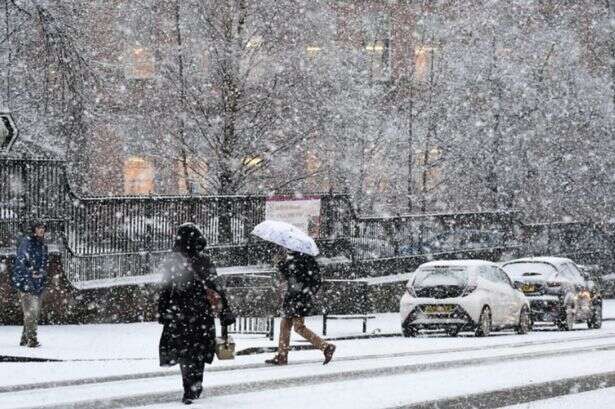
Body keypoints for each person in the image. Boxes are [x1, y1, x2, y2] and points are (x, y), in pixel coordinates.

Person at [157, 223, 235, 405]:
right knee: (198, 351)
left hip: (179, 313)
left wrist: (163, 311)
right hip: (201, 312)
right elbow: (216, 286)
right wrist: (225, 309)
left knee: (185, 352)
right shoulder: (205, 261)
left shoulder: (173, 262)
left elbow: (166, 289)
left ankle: (188, 387)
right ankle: (196, 385)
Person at [265, 249, 335, 366]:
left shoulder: (305, 260)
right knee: (285, 326)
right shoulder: (296, 259)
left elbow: (313, 280)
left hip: (299, 300)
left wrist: (304, 293)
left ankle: (326, 346)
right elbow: (290, 275)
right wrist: (280, 263)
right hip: (293, 298)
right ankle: (282, 356)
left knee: (298, 327)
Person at [11, 221, 48, 348]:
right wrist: (31, 271)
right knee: (31, 312)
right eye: (39, 228)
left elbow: (44, 262)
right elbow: (22, 259)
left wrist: (41, 274)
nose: (41, 230)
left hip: (37, 283)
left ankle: (24, 338)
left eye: (43, 228)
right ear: (34, 229)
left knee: (34, 312)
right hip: (25, 282)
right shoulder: (27, 242)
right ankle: (32, 340)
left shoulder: (43, 245)